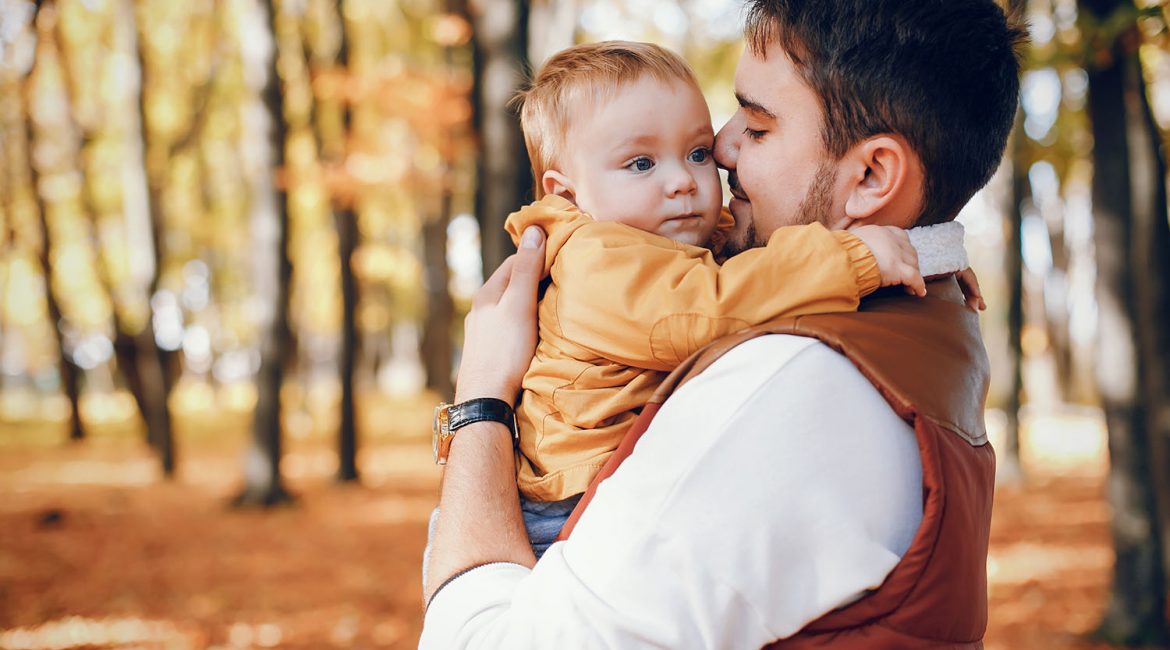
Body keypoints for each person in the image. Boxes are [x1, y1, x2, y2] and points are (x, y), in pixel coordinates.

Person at [421, 0, 1021, 647]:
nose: (724, 149)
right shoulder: (927, 323)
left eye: (757, 129)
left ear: (873, 175)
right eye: (643, 162)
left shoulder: (788, 381)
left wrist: (481, 396)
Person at [497, 40, 960, 557]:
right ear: (566, 195)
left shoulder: (667, 234)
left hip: (616, 485)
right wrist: (854, 258)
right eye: (641, 163)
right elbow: (714, 306)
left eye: (695, 154)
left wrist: (922, 251)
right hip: (566, 505)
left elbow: (755, 268)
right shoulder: (596, 260)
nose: (682, 181)